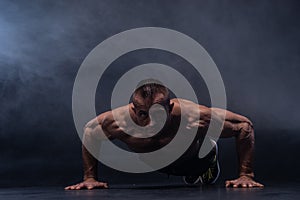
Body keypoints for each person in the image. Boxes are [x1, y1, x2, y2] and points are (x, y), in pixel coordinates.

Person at [65, 80, 264, 190]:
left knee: (199, 170)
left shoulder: (193, 116)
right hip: (158, 163)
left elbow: (244, 126)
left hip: (195, 160)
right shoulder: (118, 122)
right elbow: (90, 132)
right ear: (134, 110)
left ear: (170, 107)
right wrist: (90, 178)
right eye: (144, 114)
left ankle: (210, 154)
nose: (152, 122)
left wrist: (245, 175)